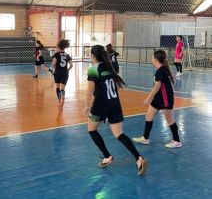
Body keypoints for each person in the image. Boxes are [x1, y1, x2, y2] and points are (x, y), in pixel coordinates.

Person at [87, 45, 147, 176]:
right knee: (119, 134)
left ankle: (107, 156)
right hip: (114, 104)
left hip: (100, 106)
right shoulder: (110, 68)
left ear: (92, 56)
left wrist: (87, 106)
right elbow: (114, 87)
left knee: (91, 129)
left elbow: (90, 90)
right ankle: (138, 158)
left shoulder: (93, 69)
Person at [133, 50, 182, 148]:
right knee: (148, 116)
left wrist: (148, 98)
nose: (151, 59)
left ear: (155, 59)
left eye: (152, 57)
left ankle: (177, 141)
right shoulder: (161, 69)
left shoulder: (160, 71)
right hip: (158, 99)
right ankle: (145, 138)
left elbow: (157, 86)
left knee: (170, 120)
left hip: (165, 99)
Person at [51, 39, 73, 107]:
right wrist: (68, 70)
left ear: (58, 47)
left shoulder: (56, 54)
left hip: (57, 72)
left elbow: (53, 63)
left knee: (57, 88)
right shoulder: (67, 55)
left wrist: (55, 67)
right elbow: (71, 65)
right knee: (62, 88)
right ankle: (62, 96)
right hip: (65, 72)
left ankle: (60, 101)